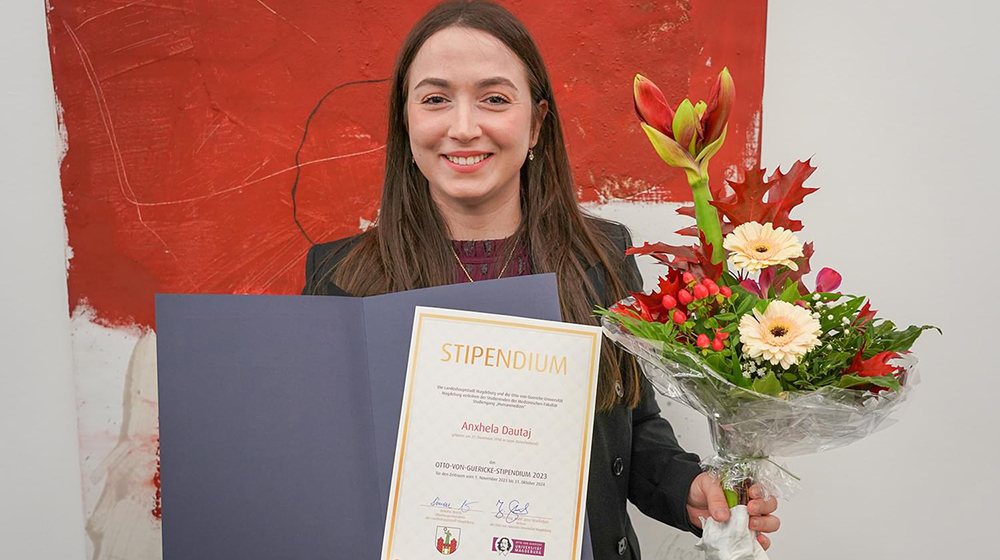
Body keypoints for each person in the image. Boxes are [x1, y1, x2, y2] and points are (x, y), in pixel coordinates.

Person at [301, 1, 780, 558]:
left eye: (495, 99)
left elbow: (633, 427)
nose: (463, 127)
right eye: (434, 99)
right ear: (406, 123)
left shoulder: (602, 260)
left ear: (536, 124)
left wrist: (686, 489)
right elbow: (319, 463)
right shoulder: (339, 279)